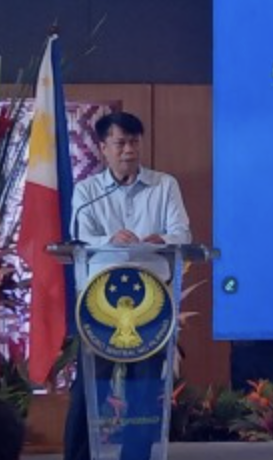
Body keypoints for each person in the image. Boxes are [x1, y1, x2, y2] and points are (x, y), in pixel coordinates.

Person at [64, 111, 192, 460]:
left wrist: (161, 238)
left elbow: (182, 233)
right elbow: (79, 239)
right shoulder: (87, 191)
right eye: (120, 143)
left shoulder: (164, 185)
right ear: (103, 148)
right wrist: (109, 239)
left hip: (151, 300)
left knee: (145, 388)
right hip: (100, 302)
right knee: (88, 387)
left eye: (134, 142)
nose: (129, 150)